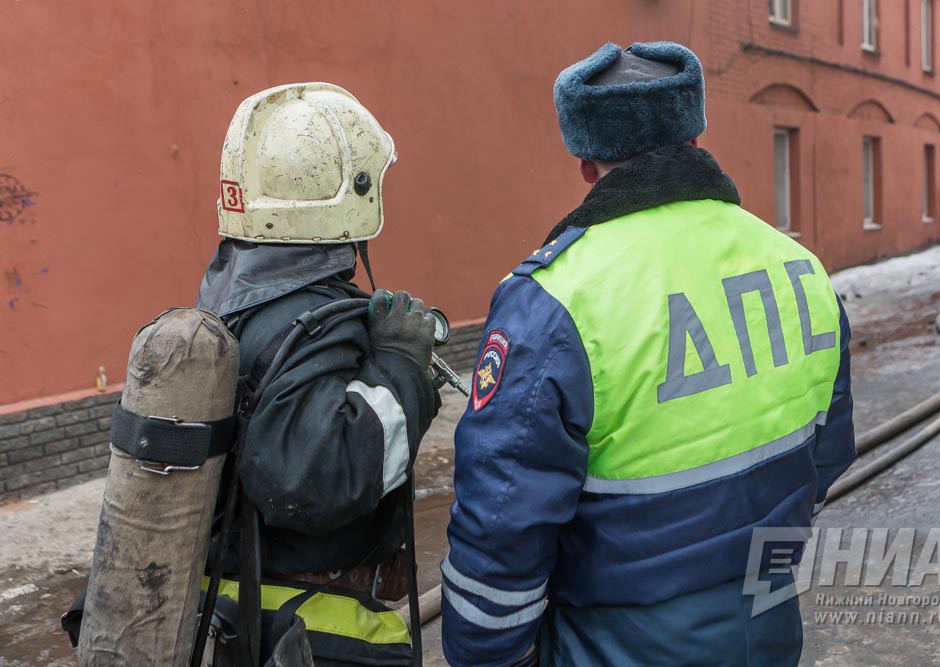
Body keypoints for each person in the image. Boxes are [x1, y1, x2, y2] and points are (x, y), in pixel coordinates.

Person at [441, 42, 855, 666]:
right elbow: (828, 450)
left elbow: (502, 528)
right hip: (768, 625)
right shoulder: (798, 266)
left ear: (585, 163)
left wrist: (487, 654)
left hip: (617, 644)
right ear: (696, 139)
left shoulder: (555, 299)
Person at [197, 82, 439, 665]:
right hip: (304, 626)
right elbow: (313, 481)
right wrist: (404, 366)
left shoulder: (229, 298)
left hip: (230, 609)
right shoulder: (310, 320)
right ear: (353, 192)